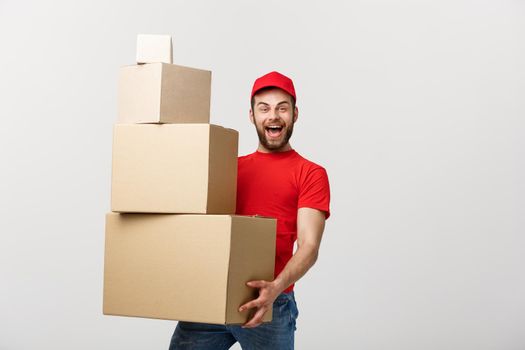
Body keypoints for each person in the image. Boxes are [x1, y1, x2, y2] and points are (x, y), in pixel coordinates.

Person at [169, 71, 331, 350]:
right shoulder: (228, 167)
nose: (273, 116)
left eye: (282, 108)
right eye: (264, 108)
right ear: (251, 115)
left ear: (295, 114)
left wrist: (276, 288)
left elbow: (309, 245)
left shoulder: (310, 173)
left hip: (270, 303)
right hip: (211, 297)